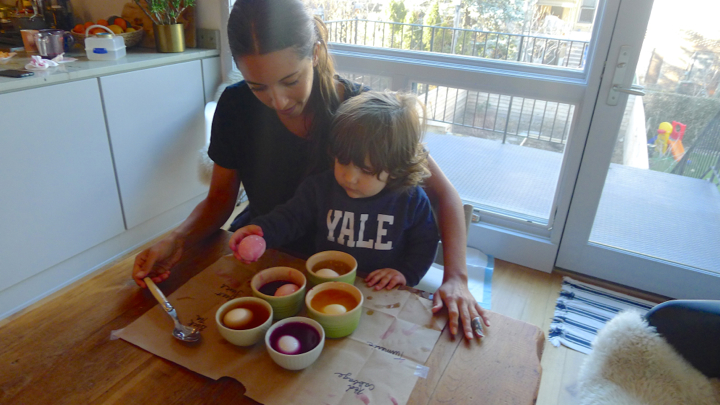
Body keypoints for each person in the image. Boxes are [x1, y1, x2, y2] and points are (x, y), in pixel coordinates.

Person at [131, 0, 489, 339]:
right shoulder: (236, 106)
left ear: (315, 52)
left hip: (345, 275)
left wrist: (456, 278)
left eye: (290, 80)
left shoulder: (361, 115)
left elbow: (443, 195)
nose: (278, 101)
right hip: (269, 255)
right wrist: (177, 239)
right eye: (258, 86)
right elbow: (219, 199)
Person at [230, 91, 439, 290]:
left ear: (396, 168)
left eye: (366, 170)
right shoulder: (320, 188)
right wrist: (262, 233)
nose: (349, 177)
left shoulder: (410, 199)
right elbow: (290, 218)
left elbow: (425, 243)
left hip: (379, 290)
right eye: (342, 161)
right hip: (326, 283)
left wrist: (404, 273)